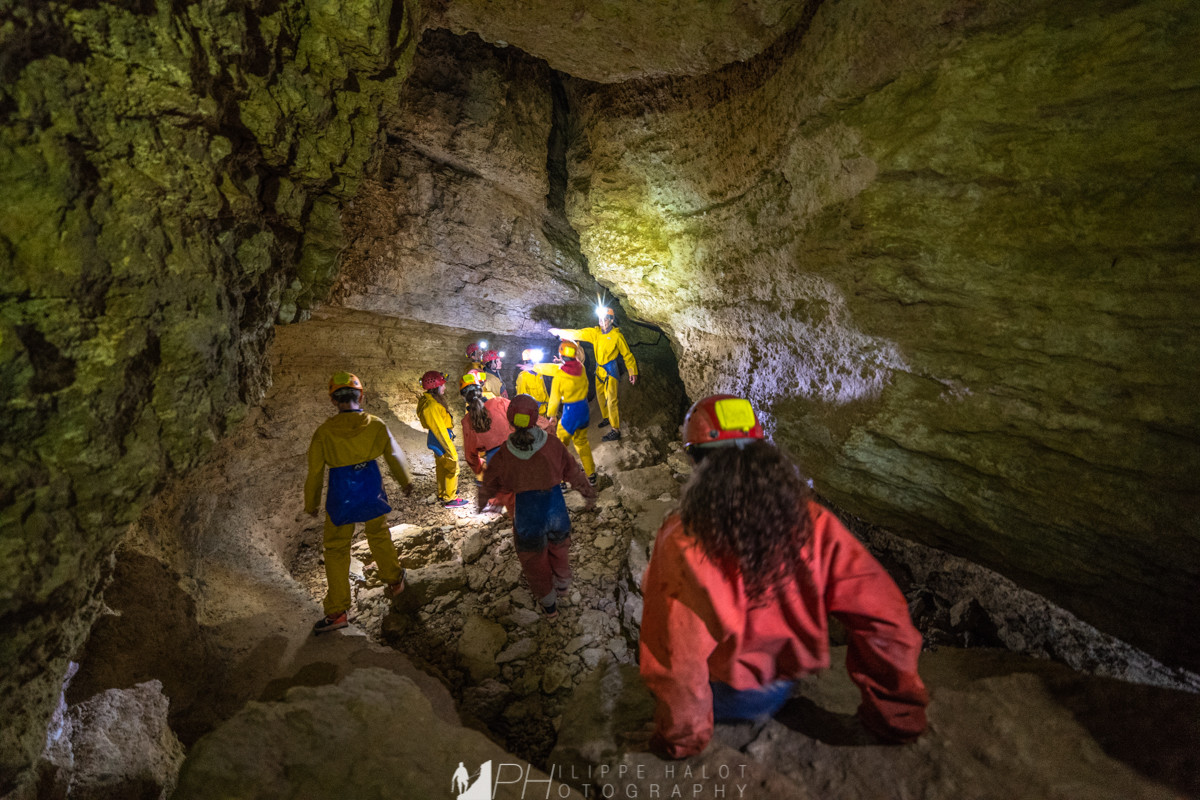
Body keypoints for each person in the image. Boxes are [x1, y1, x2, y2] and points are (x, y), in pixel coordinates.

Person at [638, 394, 929, 758]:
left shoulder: (683, 541)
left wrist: (679, 740)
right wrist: (898, 714)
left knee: (659, 594)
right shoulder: (811, 521)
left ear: (696, 459)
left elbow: (675, 656)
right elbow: (885, 616)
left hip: (732, 696)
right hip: (782, 684)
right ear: (762, 451)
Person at [304, 372, 414, 634]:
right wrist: (405, 481)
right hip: (370, 487)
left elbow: (316, 472)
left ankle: (337, 611)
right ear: (360, 395)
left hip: (341, 493)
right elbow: (394, 455)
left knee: (336, 548)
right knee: (378, 534)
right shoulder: (375, 424)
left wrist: (312, 503)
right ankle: (395, 581)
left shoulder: (324, 432)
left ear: (333, 400)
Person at [479, 395, 597, 619]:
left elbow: (491, 481)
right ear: (535, 418)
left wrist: (484, 501)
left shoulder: (505, 452)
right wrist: (587, 493)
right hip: (555, 509)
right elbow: (572, 470)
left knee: (534, 560)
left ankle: (549, 605)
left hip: (527, 515)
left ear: (511, 420)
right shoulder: (552, 444)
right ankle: (562, 584)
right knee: (559, 548)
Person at [549, 306, 637, 442]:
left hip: (611, 370)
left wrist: (632, 371)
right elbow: (578, 333)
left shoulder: (617, 336)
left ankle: (615, 430)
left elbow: (627, 355)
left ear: (611, 320)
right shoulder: (595, 333)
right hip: (599, 369)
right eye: (600, 318)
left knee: (611, 400)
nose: (602, 321)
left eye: (605, 319)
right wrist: (560, 332)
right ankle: (607, 418)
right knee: (601, 397)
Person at [460, 371, 515, 515]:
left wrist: (481, 470)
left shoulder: (467, 420)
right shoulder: (500, 402)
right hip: (517, 449)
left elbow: (470, 455)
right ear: (481, 388)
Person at [546, 340, 597, 485]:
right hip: (584, 409)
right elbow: (586, 385)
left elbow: (554, 398)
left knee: (560, 445)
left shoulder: (560, 375)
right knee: (582, 442)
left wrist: (552, 415)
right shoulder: (581, 368)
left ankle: (561, 479)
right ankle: (591, 474)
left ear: (561, 355)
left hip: (570, 412)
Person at [417, 370, 468, 508]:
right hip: (440, 438)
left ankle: (442, 493)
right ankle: (450, 498)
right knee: (452, 465)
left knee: (441, 467)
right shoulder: (432, 406)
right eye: (442, 385)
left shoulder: (430, 400)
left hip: (436, 438)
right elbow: (439, 430)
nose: (444, 387)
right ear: (435, 387)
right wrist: (451, 450)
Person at [515, 348, 551, 417]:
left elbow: (544, 390)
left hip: (543, 411)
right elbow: (521, 397)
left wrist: (549, 406)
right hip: (532, 413)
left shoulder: (539, 374)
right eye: (536, 361)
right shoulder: (523, 376)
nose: (538, 362)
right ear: (530, 362)